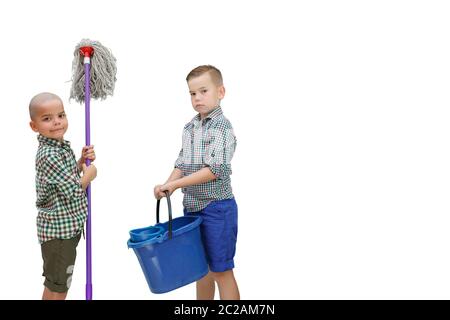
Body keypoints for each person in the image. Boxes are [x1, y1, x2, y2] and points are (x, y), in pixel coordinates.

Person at [154, 65, 240, 300]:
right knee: (200, 270)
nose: (197, 98)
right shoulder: (190, 127)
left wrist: (177, 185)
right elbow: (182, 163)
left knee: (221, 271)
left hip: (216, 208)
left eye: (204, 91)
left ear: (220, 92)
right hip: (192, 209)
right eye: (192, 93)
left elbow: (214, 170)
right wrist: (167, 185)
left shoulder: (222, 128)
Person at [29, 92, 97, 300]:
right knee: (59, 285)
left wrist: (80, 162)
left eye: (61, 115)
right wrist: (90, 175)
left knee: (58, 281)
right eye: (47, 118)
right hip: (58, 234)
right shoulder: (48, 155)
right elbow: (74, 190)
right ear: (34, 126)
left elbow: (64, 179)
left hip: (68, 228)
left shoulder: (59, 146)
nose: (57, 122)